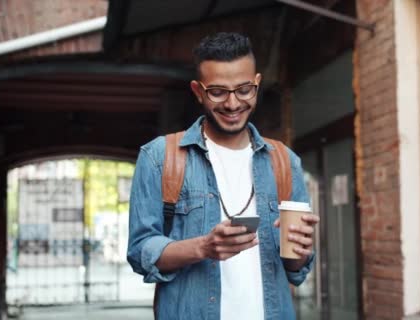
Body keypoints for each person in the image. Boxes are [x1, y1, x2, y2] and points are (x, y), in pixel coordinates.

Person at [127, 32, 320, 320]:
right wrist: (203, 247)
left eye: (244, 89)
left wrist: (301, 250)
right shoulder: (160, 157)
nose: (232, 104)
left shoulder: (284, 161)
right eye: (217, 92)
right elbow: (140, 251)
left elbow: (295, 272)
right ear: (197, 91)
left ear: (256, 83)